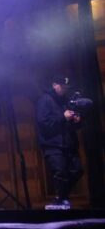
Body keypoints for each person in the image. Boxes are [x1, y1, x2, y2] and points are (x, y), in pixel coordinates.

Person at [35, 75, 84, 210]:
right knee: (60, 172)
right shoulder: (44, 100)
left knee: (77, 170)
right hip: (52, 144)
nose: (64, 89)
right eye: (62, 86)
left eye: (66, 87)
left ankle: (61, 198)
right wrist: (63, 117)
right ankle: (61, 200)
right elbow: (44, 124)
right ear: (54, 85)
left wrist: (77, 121)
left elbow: (71, 124)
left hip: (69, 144)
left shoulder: (66, 100)